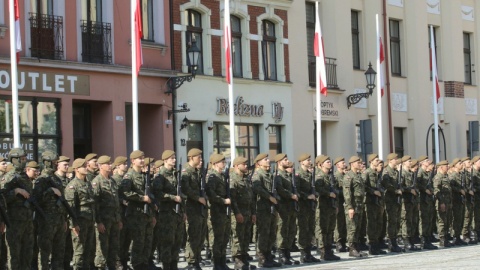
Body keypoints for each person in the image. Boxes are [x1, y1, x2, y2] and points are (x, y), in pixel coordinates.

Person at [120, 150, 156, 270]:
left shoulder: (144, 176)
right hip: (135, 214)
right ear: (133, 161)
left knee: (147, 242)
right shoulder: (129, 176)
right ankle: (137, 265)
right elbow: (126, 193)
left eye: (143, 158)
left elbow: (149, 196)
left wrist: (152, 214)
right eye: (139, 158)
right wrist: (142, 198)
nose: (142, 160)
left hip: (147, 214)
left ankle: (145, 264)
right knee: (138, 243)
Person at [34, 151, 69, 270]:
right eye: (54, 162)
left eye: (56, 162)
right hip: (46, 221)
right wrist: (50, 191)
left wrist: (64, 219)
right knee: (45, 251)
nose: (55, 164)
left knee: (59, 251)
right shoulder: (41, 180)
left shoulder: (56, 179)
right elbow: (36, 200)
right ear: (47, 163)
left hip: (59, 219)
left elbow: (62, 201)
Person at [2, 148, 35, 270]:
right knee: (14, 254)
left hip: (27, 220)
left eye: (25, 159)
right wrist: (16, 191)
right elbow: (2, 198)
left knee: (27, 253)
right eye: (22, 159)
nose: (24, 161)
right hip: (14, 221)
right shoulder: (9, 177)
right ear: (14, 160)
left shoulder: (24, 177)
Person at [154, 150, 184, 270]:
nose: (174, 160)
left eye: (174, 158)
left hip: (177, 213)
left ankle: (174, 265)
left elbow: (180, 195)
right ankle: (166, 266)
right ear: (165, 160)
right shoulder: (160, 176)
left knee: (177, 242)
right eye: (171, 158)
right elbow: (158, 194)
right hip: (166, 214)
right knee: (167, 242)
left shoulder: (176, 174)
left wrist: (183, 211)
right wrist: (172, 197)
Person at [92, 156, 123, 269]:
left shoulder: (112, 181)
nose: (110, 165)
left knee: (114, 249)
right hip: (103, 221)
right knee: (102, 250)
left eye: (110, 163)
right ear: (100, 166)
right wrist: (98, 222)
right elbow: (95, 205)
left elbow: (116, 203)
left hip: (114, 220)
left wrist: (119, 219)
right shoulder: (97, 182)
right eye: (108, 163)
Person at [65, 158, 96, 269]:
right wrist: (73, 225)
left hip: (90, 220)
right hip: (80, 222)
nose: (86, 168)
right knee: (79, 251)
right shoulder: (72, 185)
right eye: (84, 166)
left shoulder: (87, 183)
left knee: (89, 250)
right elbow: (70, 207)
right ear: (77, 169)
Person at [251, 153, 281, 268]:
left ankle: (269, 255)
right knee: (263, 233)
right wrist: (269, 197)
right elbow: (257, 188)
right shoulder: (258, 174)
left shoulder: (270, 174)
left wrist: (276, 199)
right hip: (262, 209)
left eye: (268, 159)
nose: (268, 161)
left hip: (271, 209)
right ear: (259, 163)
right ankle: (262, 257)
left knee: (271, 233)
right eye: (265, 159)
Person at [181, 148, 208, 270]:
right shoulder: (186, 172)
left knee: (200, 235)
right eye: (199, 157)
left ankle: (197, 259)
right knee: (192, 235)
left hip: (200, 209)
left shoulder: (197, 172)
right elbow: (186, 190)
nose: (201, 159)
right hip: (191, 208)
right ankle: (191, 261)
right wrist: (198, 198)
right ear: (191, 158)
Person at [205, 153, 231, 270]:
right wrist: (223, 201)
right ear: (215, 163)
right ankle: (217, 263)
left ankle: (222, 261)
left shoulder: (222, 176)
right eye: (222, 162)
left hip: (224, 212)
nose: (224, 164)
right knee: (217, 238)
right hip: (216, 211)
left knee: (225, 238)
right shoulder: (212, 177)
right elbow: (211, 195)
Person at [230, 156, 256, 270]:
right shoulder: (233, 179)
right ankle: (238, 261)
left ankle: (244, 259)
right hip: (239, 212)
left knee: (246, 237)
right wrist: (237, 213)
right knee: (238, 237)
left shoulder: (246, 179)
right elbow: (233, 199)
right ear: (236, 165)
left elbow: (251, 198)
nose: (246, 166)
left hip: (248, 212)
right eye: (244, 164)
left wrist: (253, 213)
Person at [274, 153, 299, 265]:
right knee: (282, 231)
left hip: (291, 207)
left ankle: (288, 254)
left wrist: (295, 194)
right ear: (279, 162)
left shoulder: (288, 175)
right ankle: (282, 254)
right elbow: (280, 189)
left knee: (291, 230)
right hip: (283, 207)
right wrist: (291, 195)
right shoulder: (278, 175)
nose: (288, 161)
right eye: (285, 160)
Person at [294, 154, 320, 263]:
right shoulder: (298, 175)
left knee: (310, 229)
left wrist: (315, 195)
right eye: (307, 160)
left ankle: (309, 253)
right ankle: (303, 253)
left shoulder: (310, 175)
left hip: (310, 207)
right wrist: (307, 196)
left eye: (310, 160)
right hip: (302, 207)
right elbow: (297, 191)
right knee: (303, 230)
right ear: (301, 162)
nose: (309, 161)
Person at [314, 155, 340, 260]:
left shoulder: (329, 176)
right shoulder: (319, 176)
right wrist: (328, 194)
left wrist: (336, 205)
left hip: (331, 206)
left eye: (329, 161)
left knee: (330, 229)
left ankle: (329, 250)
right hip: (322, 207)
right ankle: (323, 251)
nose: (329, 163)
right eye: (327, 161)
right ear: (321, 164)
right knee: (323, 229)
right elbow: (318, 189)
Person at [343, 156, 367, 258]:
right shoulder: (348, 176)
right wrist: (350, 207)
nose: (360, 164)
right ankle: (351, 249)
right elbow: (347, 193)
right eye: (358, 162)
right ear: (352, 164)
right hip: (352, 206)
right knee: (352, 228)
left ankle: (356, 248)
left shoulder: (358, 176)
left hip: (359, 205)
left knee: (357, 228)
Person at [363, 154, 386, 255]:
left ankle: (377, 245)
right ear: (371, 161)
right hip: (371, 202)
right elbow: (363, 186)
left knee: (378, 224)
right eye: (376, 160)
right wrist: (373, 192)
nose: (378, 162)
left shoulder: (378, 174)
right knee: (372, 224)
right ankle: (372, 246)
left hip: (379, 202)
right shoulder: (367, 173)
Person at [111, 156, 131, 269]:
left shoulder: (126, 178)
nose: (126, 165)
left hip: (128, 213)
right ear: (118, 165)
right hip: (119, 213)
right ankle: (117, 262)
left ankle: (124, 261)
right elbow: (113, 196)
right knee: (119, 239)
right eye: (123, 164)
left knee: (127, 239)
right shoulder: (114, 179)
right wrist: (122, 201)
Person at [381, 153, 403, 253]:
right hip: (390, 200)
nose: (396, 160)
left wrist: (400, 189)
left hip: (396, 200)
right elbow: (387, 185)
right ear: (390, 160)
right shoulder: (386, 172)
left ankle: (395, 242)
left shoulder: (396, 172)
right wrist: (395, 190)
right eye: (395, 159)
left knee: (397, 221)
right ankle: (391, 243)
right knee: (391, 222)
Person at [416, 156, 437, 250]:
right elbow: (417, 185)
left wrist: (431, 190)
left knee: (429, 220)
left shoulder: (428, 173)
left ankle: (428, 239)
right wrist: (425, 190)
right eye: (427, 161)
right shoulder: (420, 173)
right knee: (424, 220)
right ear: (422, 163)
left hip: (428, 200)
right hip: (423, 200)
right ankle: (424, 240)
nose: (429, 162)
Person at [399, 156, 420, 251]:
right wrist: (409, 190)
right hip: (405, 201)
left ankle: (411, 240)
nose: (411, 162)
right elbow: (401, 187)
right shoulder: (402, 174)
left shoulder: (411, 174)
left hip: (412, 201)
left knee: (412, 221)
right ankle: (406, 241)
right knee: (405, 221)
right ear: (403, 163)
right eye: (409, 161)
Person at [433, 160, 453, 247]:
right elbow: (436, 190)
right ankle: (442, 239)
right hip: (442, 202)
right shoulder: (438, 177)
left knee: (447, 221)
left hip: (448, 202)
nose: (448, 167)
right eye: (446, 166)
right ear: (441, 167)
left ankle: (446, 238)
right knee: (441, 222)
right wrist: (441, 202)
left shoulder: (446, 176)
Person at [449, 158, 468, 246]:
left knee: (460, 219)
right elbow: (451, 187)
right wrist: (459, 190)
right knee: (455, 219)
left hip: (460, 200)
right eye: (459, 163)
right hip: (455, 199)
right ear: (455, 165)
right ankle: (455, 237)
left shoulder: (460, 175)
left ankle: (458, 236)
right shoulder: (453, 176)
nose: (461, 164)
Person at [333, 157, 348, 253]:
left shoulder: (345, 175)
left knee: (344, 223)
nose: (344, 164)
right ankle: (338, 242)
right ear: (337, 165)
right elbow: (335, 190)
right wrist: (344, 192)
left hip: (345, 203)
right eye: (342, 162)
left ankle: (343, 241)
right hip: (339, 201)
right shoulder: (336, 176)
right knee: (338, 224)